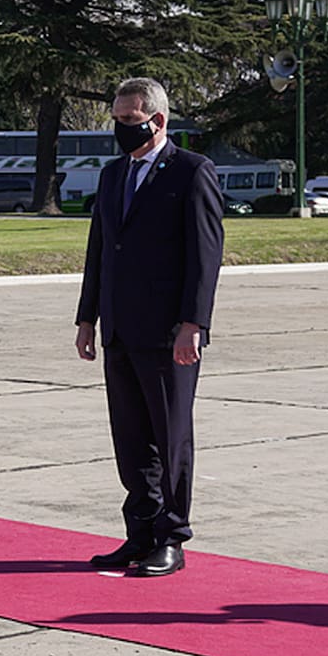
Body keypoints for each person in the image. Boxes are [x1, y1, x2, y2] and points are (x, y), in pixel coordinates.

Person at [75, 76, 224, 577]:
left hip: (167, 333)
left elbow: (205, 257)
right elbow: (100, 250)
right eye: (116, 121)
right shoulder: (114, 174)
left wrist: (193, 324)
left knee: (171, 436)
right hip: (119, 329)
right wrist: (87, 316)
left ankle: (172, 536)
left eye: (128, 121)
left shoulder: (191, 172)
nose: (120, 130)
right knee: (132, 438)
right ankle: (138, 532)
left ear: (157, 121)